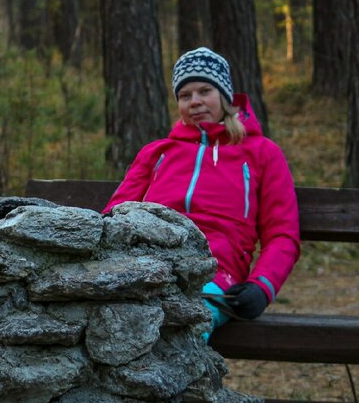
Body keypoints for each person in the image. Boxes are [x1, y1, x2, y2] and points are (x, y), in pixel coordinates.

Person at [103, 47, 300, 336]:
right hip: (144, 268)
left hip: (213, 276)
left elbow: (283, 235)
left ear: (224, 95)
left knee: (174, 333)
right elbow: (114, 215)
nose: (194, 101)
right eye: (185, 95)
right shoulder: (157, 152)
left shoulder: (262, 154)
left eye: (204, 91)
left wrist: (262, 287)